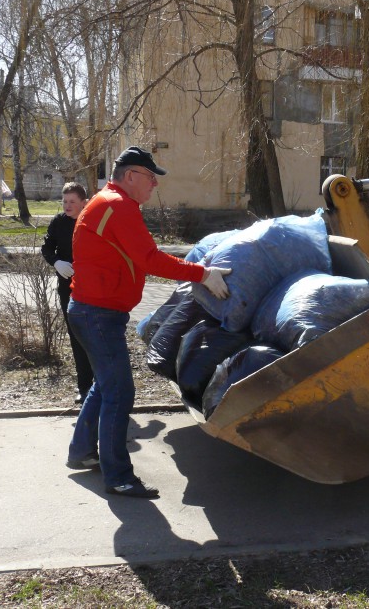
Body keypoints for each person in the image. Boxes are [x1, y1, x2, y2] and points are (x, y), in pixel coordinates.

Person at [65, 146, 231, 499]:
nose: (154, 183)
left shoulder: (107, 202)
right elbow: (150, 259)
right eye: (150, 176)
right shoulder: (118, 205)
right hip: (97, 314)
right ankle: (119, 477)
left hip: (91, 311)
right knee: (119, 391)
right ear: (130, 176)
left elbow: (138, 258)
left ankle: (81, 452)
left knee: (104, 386)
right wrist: (202, 274)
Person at [41, 183, 95, 404]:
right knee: (77, 337)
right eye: (64, 201)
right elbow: (47, 248)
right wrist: (56, 262)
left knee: (96, 337)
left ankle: (101, 386)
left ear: (84, 202)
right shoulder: (58, 222)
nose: (68, 205)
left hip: (94, 288)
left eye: (73, 201)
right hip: (68, 288)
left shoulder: (93, 221)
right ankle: (84, 388)